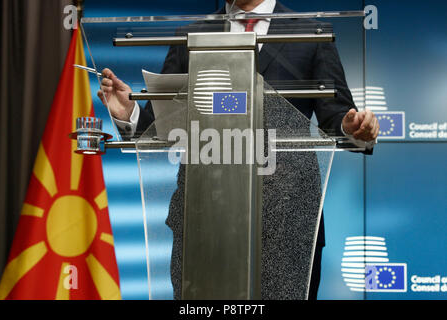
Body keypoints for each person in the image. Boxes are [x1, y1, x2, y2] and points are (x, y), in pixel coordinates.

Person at [98, 0, 379, 300]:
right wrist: (129, 112)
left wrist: (354, 129)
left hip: (287, 221)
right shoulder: (191, 34)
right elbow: (161, 127)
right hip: (202, 220)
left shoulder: (310, 31)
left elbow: (337, 117)